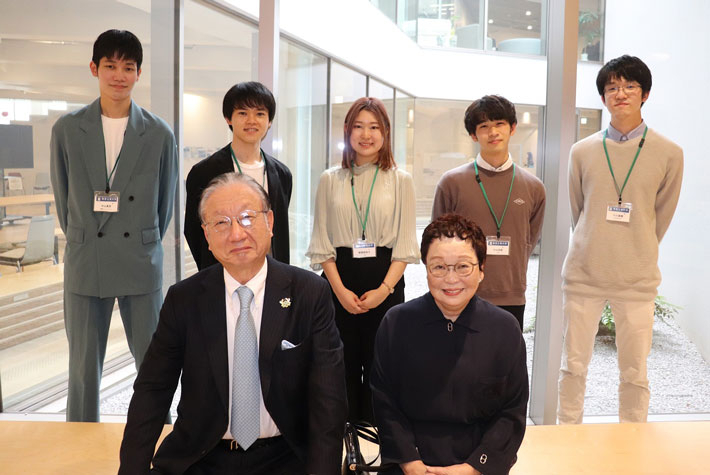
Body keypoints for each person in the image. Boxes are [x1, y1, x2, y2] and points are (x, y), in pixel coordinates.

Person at [119, 173, 347, 474]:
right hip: (202, 456)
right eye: (221, 223)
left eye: (247, 218)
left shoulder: (309, 293)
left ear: (270, 222)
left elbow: (328, 400)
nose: (237, 234)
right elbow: (152, 390)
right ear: (207, 235)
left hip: (285, 456)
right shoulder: (184, 299)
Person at [49, 29, 178, 422]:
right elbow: (63, 195)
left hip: (140, 260)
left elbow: (164, 205)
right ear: (94, 69)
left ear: (138, 74)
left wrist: (144, 242)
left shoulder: (158, 133)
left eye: (128, 67)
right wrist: (84, 236)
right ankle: (78, 446)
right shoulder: (68, 129)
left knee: (152, 366)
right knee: (83, 371)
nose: (119, 75)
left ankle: (159, 441)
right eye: (110, 66)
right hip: (88, 261)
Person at [559, 55, 683, 424]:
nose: (621, 93)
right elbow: (578, 211)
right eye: (612, 87)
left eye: (630, 86)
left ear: (645, 94)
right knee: (573, 366)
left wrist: (637, 246)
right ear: (603, 97)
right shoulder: (581, 151)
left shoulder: (669, 153)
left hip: (637, 278)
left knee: (635, 371)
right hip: (584, 274)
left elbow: (660, 217)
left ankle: (633, 438)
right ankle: (568, 434)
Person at [371, 214, 528, 475]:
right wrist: (411, 463)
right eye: (439, 267)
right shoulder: (396, 322)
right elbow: (384, 400)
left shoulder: (505, 329)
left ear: (481, 269)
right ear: (426, 269)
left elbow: (512, 412)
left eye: (463, 267)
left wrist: (474, 467)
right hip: (409, 463)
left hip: (478, 463)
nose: (451, 279)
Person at [306, 97, 419, 423]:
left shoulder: (401, 180)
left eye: (374, 127)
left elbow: (405, 245)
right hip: (338, 283)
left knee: (381, 366)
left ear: (385, 133)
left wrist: (384, 290)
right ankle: (342, 445)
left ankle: (378, 450)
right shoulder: (330, 179)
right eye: (358, 126)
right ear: (347, 131)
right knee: (337, 364)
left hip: (387, 284)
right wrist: (339, 291)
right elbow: (321, 243)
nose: (366, 134)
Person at [432, 95, 545, 330]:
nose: (493, 132)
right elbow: (437, 241)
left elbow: (529, 240)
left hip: (511, 293)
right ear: (474, 135)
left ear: (512, 128)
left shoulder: (533, 187)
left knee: (504, 363)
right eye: (484, 126)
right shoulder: (452, 182)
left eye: (499, 124)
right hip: (460, 292)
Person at [185, 81, 292, 269]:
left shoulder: (282, 174)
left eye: (259, 114)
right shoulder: (204, 172)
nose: (251, 120)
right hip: (222, 273)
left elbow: (278, 229)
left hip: (270, 274)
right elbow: (194, 231)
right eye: (242, 113)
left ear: (269, 121)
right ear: (228, 118)